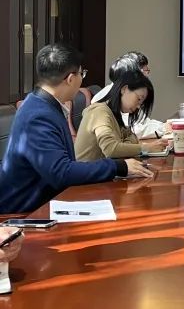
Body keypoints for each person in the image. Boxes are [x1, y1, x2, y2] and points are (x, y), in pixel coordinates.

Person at [0, 44, 153, 214]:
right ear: (71, 79)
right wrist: (119, 167)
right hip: (24, 213)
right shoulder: (38, 116)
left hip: (47, 202)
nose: (82, 79)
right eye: (82, 74)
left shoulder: (43, 105)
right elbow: (61, 172)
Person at [76, 70, 168, 161]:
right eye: (139, 99)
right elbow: (110, 149)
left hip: (105, 168)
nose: (138, 106)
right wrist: (147, 148)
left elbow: (133, 137)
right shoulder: (99, 112)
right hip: (88, 170)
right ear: (124, 89)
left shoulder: (114, 114)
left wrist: (123, 145)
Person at [93, 51, 166, 139]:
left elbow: (142, 121)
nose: (147, 76)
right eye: (145, 71)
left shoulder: (130, 93)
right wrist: (164, 128)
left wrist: (164, 126)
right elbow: (132, 129)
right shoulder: (110, 97)